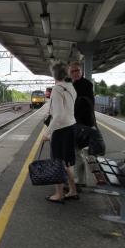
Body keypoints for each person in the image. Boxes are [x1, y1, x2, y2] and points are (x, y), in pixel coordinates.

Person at [42, 61, 78, 203]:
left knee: (56, 162)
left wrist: (47, 132)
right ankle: (73, 190)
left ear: (54, 74)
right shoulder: (70, 87)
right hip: (71, 127)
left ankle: (59, 194)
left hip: (60, 130)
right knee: (68, 162)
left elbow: (58, 115)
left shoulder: (57, 89)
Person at [69, 61, 96, 188]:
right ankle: (79, 179)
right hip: (75, 123)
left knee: (77, 151)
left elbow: (88, 105)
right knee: (76, 151)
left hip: (81, 124)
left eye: (77, 70)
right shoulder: (71, 84)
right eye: (72, 71)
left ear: (81, 71)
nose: (74, 73)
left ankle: (80, 180)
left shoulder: (86, 85)